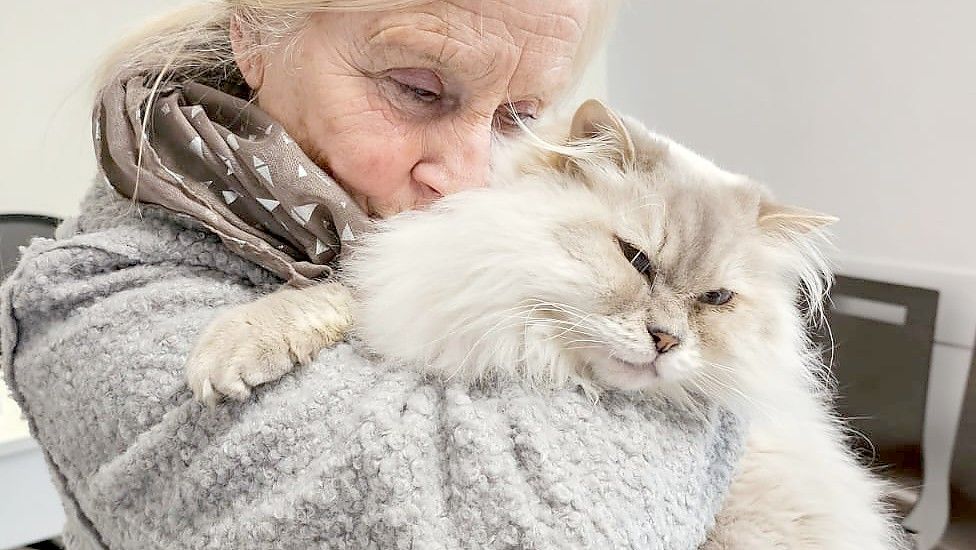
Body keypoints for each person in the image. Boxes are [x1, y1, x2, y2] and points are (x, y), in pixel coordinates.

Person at [1, 2, 743, 548]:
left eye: (516, 117)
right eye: (417, 90)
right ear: (256, 37)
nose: (468, 180)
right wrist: (716, 391)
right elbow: (536, 524)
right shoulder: (97, 305)